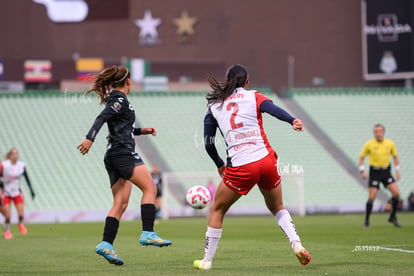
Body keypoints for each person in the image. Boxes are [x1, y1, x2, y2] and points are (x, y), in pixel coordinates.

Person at [193, 64, 311, 270]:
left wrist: (220, 165)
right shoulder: (254, 96)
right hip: (266, 160)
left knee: (218, 209)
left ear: (227, 81)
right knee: (277, 207)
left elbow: (208, 143)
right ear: (247, 82)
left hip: (241, 166)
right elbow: (273, 110)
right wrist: (293, 120)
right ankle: (297, 244)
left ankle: (207, 261)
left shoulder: (214, 107)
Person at [77, 65, 172, 266]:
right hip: (123, 153)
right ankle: (148, 232)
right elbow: (102, 117)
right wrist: (89, 139)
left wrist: (141, 131)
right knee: (150, 188)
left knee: (120, 203)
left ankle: (106, 244)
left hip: (112, 155)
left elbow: (121, 127)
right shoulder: (120, 100)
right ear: (129, 81)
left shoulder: (118, 100)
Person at [359, 124, 401, 228]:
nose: (378, 134)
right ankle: (367, 221)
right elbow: (361, 157)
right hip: (375, 172)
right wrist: (362, 171)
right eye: (376, 131)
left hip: (386, 171)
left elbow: (395, 157)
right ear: (374, 133)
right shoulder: (369, 144)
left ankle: (392, 216)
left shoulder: (390, 143)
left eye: (380, 131)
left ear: (383, 132)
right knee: (372, 196)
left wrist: (397, 170)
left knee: (396, 193)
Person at [0, 148, 35, 239]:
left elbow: (26, 178)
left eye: (17, 154)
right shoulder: (4, 165)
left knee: (21, 214)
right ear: (10, 155)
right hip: (6, 192)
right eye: (14, 154)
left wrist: (31, 190)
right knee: (8, 216)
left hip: (17, 192)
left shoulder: (21, 165)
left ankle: (20, 223)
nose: (16, 155)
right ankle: (7, 230)